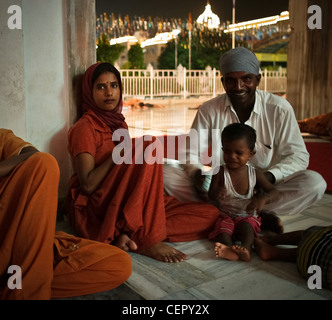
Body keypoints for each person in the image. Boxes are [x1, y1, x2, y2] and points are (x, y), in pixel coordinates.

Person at [65, 62, 220, 263]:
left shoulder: (118, 123)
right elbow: (87, 185)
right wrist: (117, 154)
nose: (109, 92)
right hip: (100, 206)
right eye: (100, 87)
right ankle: (147, 239)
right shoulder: (85, 128)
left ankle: (130, 234)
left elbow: (130, 174)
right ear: (89, 91)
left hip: (126, 201)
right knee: (149, 144)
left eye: (114, 85)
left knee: (210, 214)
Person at [163, 47, 327, 231]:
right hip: (221, 189)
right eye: (231, 81)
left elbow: (298, 156)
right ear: (223, 82)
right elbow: (190, 153)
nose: (239, 87)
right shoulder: (209, 110)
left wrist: (269, 177)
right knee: (166, 174)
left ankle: (228, 214)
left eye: (246, 79)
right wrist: (197, 174)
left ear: (258, 79)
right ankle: (255, 217)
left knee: (314, 183)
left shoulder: (279, 109)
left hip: (263, 190)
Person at [0, 129, 132, 300]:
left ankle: (20, 282)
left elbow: (32, 155)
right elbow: (88, 185)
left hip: (22, 244)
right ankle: (26, 289)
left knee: (118, 264)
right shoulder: (85, 128)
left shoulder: (2, 137)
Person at [208, 123, 280, 261]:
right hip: (225, 215)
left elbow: (274, 191)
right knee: (223, 231)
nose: (232, 156)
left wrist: (263, 199)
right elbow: (210, 194)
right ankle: (229, 249)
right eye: (227, 151)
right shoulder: (220, 171)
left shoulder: (255, 174)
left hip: (246, 215)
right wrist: (217, 193)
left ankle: (246, 248)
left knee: (248, 227)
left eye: (239, 153)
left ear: (251, 155)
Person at [254, 226, 332, 290]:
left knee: (316, 236)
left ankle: (274, 239)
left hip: (316, 239)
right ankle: (272, 252)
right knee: (319, 253)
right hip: (315, 273)